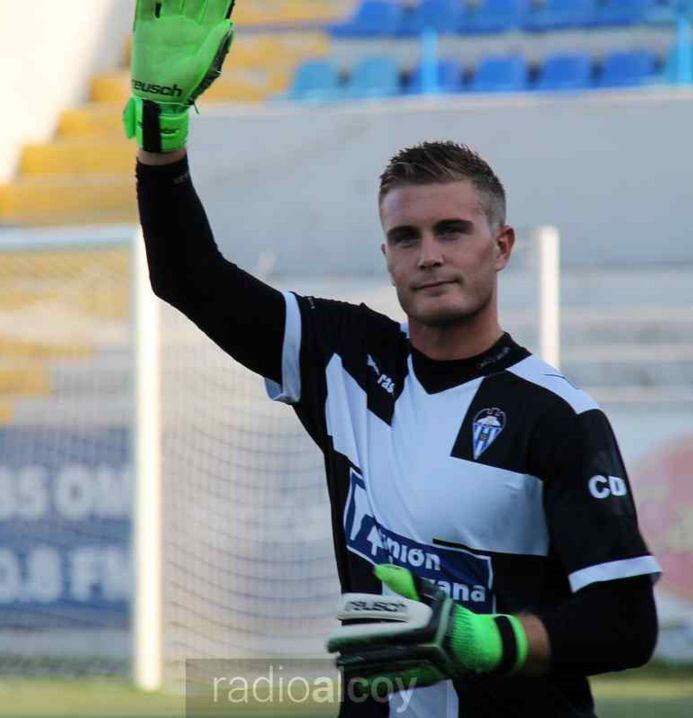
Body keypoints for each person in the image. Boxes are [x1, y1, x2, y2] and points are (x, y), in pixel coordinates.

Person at [127, 1, 662, 715]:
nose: (430, 253)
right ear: (387, 257)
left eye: (452, 230)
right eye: (407, 237)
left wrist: (491, 641)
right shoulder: (342, 361)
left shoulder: (557, 417)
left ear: (500, 247)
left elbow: (626, 623)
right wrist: (161, 135)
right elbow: (188, 277)